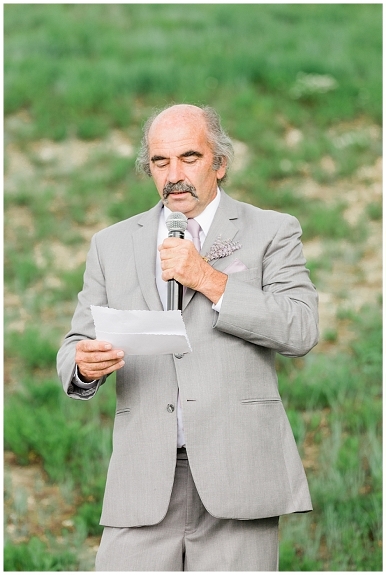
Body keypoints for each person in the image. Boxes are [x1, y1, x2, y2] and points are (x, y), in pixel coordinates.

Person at [56, 104, 319, 570]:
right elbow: (76, 341)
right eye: (160, 161)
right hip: (143, 478)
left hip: (239, 470)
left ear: (220, 163)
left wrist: (208, 279)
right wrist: (82, 366)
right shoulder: (111, 244)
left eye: (189, 158)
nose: (174, 175)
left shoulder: (272, 230)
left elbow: (300, 328)